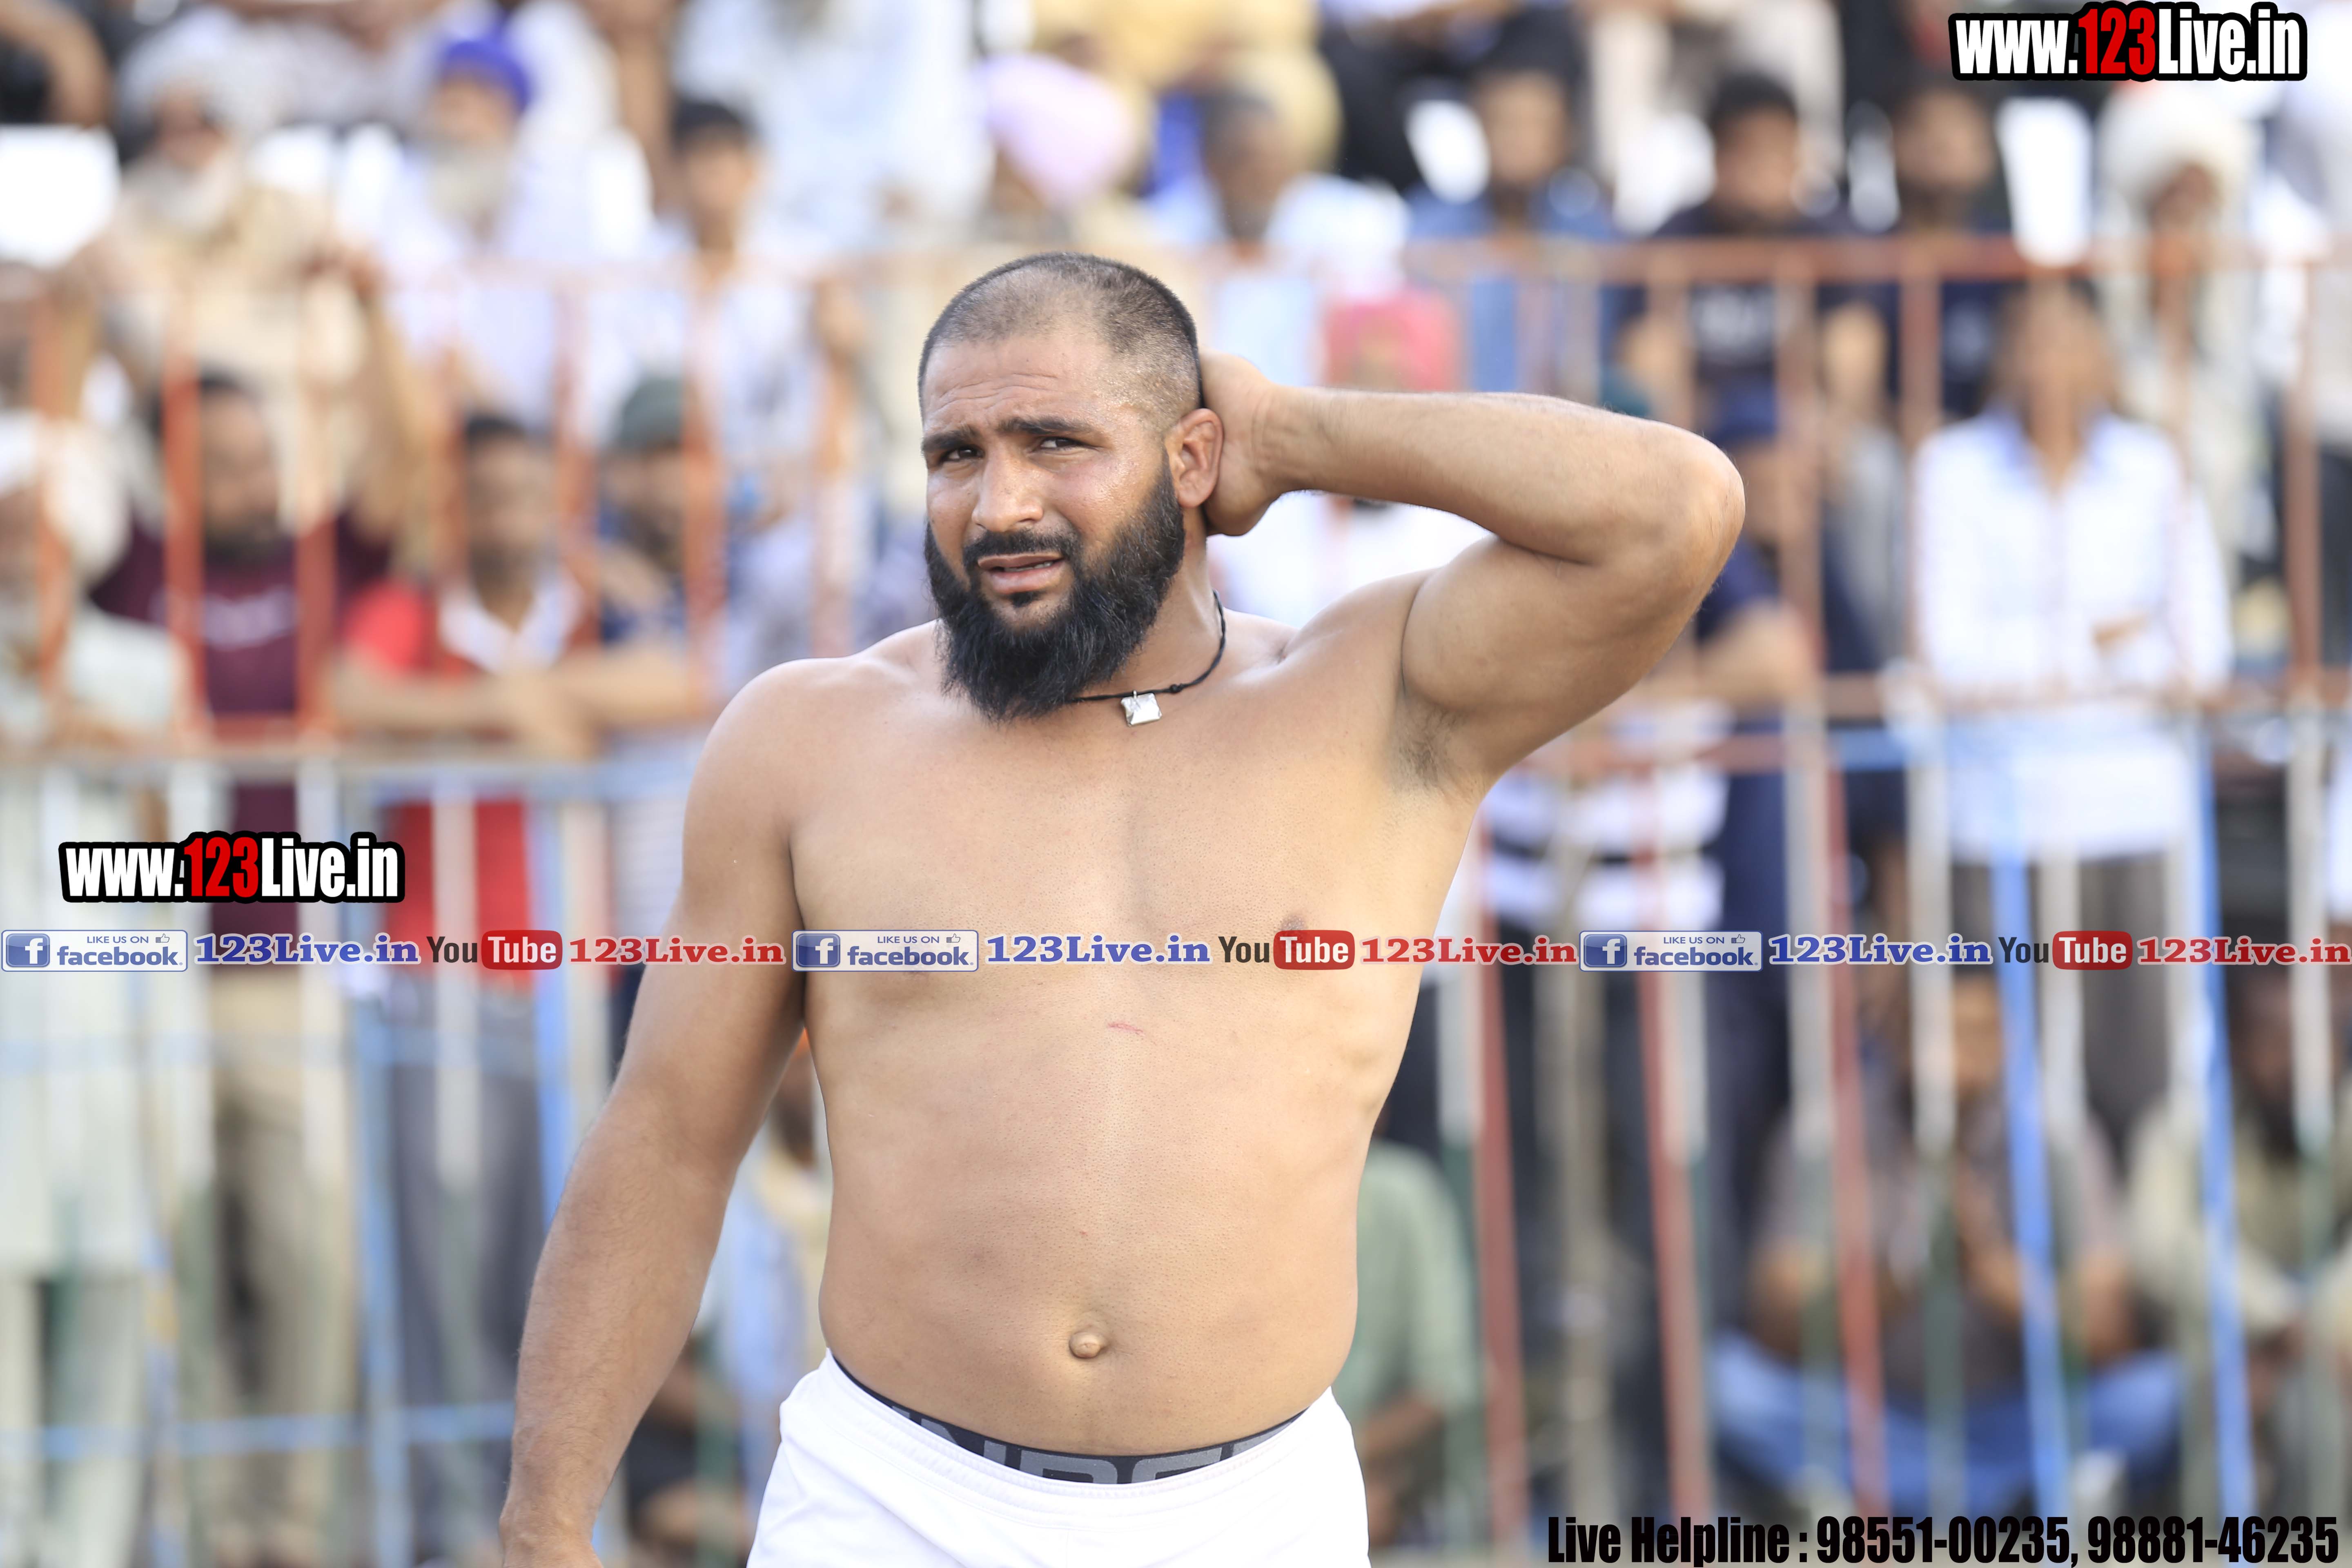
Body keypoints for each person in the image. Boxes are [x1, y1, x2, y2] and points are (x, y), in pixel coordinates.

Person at [498, 249, 1741, 1563]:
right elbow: (670, 1137)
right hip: (889, 1498)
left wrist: (1292, 432)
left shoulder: (1375, 701)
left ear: (1193, 457)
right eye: (957, 454)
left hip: (1252, 1509)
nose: (999, 504)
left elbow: (1677, 510)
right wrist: (543, 1521)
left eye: (1057, 442)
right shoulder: (807, 740)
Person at [333, 410, 703, 1556]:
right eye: (484, 494)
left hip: (567, 986)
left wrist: (542, 689)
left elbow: (675, 676)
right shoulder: (412, 608)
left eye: (524, 492)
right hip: (438, 978)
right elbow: (350, 695)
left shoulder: (586, 599)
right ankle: (454, 1525)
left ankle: (558, 1520)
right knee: (443, 1266)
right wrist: (507, 706)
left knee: (565, 1261)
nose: (505, 516)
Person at [1915, 280, 2232, 1152]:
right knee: (2014, 1104)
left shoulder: (2154, 468)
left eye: (2069, 337)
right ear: (2004, 354)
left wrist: (2040, 654)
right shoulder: (1951, 469)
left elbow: (2202, 657)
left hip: (2135, 817)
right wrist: (2104, 638)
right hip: (2002, 825)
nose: (2050, 360)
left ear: (2103, 353)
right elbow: (1950, 660)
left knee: (2147, 1083)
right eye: (2032, 337)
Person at [1714, 968, 2179, 1513]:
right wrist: (1904, 1275)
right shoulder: (1827, 1131)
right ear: (1895, 1033)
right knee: (1729, 1387)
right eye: (1936, 1033)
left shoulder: (2058, 1135)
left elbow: (2111, 1336)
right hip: (1877, 1419)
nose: (1957, 1059)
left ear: (2009, 1038)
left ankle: (1915, 1496)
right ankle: (2001, 1499)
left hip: (2016, 1417)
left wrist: (1987, 1267)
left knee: (2162, 1395)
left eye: (1978, 1034)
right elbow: (1776, 1329)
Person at [0, 420, 179, 1568]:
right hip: (9, 1044)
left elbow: (198, 865)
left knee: (117, 1293)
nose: (21, 558)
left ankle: (90, 1550)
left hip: (117, 1035)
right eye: (6, 534)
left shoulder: (146, 675)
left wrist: (119, 756)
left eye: (39, 536)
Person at [2127, 960, 2352, 1505]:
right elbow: (2160, 1250)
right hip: (2223, 1346)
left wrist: (2317, 1327)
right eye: (2275, 1040)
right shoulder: (2185, 1126)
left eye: (2315, 1039)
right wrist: (2279, 1318)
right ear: (2236, 1048)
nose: (2296, 1061)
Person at [1332, 1110, 1478, 1550]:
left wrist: (1345, 1468)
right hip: (1283, 1481)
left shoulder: (1404, 1192)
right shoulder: (1242, 1192)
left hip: (1384, 1473)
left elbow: (1442, 1386)